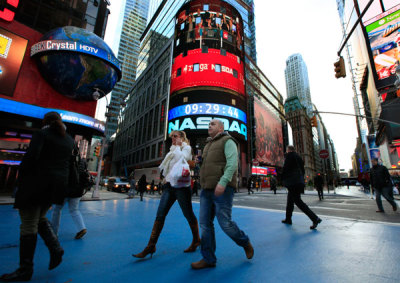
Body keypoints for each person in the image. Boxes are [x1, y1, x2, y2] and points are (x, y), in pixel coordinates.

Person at [1, 112, 74, 281]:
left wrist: (20, 178)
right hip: (55, 187)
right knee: (40, 217)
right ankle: (55, 248)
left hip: (36, 185)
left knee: (28, 223)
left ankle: (25, 269)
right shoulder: (69, 140)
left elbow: (31, 158)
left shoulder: (41, 134)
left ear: (45, 121)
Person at [191, 119, 253, 270]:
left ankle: (244, 242)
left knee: (225, 223)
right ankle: (208, 258)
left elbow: (232, 164)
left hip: (222, 189)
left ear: (221, 127)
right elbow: (208, 164)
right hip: (206, 189)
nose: (209, 126)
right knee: (205, 224)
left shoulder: (228, 141)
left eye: (212, 124)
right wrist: (198, 161)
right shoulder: (207, 145)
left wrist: (223, 182)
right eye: (208, 124)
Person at [133, 130, 200, 258]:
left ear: (181, 137)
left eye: (175, 136)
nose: (173, 139)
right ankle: (151, 245)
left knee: (188, 214)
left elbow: (184, 159)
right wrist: (165, 178)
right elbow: (170, 167)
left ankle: (196, 240)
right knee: (160, 214)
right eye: (172, 137)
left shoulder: (186, 148)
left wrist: (179, 146)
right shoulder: (172, 150)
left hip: (181, 187)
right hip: (169, 186)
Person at [281, 145, 322, 230]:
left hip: (292, 182)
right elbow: (302, 171)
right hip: (298, 182)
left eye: (286, 150)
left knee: (298, 202)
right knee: (290, 201)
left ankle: (315, 219)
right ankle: (288, 219)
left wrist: (283, 179)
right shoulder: (299, 157)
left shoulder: (289, 156)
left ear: (288, 150)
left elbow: (285, 169)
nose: (286, 152)